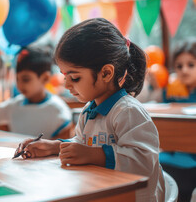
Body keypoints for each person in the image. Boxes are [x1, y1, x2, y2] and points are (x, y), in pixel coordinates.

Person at [15, 18, 165, 202]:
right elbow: (83, 141)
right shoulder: (88, 111)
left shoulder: (127, 111)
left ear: (106, 73)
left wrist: (95, 155)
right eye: (64, 76)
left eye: (75, 77)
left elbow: (143, 162)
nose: (67, 84)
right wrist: (55, 146)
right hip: (104, 192)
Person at [0, 46, 72, 138]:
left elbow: (61, 146)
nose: (20, 85)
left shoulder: (58, 110)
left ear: (45, 78)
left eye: (26, 79)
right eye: (17, 79)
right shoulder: (15, 104)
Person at [156, 39, 196, 202]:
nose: (184, 70)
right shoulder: (170, 91)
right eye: (179, 66)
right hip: (171, 152)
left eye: (191, 65)